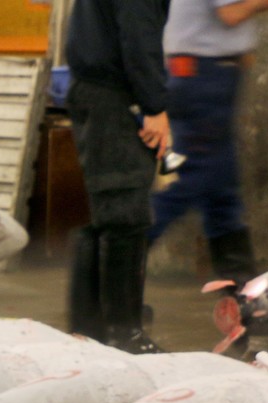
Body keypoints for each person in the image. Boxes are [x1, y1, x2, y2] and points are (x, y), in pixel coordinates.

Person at [148, 0, 268, 286]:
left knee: (221, 191)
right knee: (193, 179)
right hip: (204, 78)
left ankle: (242, 292)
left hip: (207, 76)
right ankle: (118, 254)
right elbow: (231, 12)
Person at [65, 0, 170, 352]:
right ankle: (125, 336)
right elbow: (138, 37)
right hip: (112, 96)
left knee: (107, 214)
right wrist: (155, 106)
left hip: (95, 91)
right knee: (125, 213)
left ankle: (88, 330)